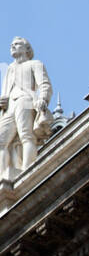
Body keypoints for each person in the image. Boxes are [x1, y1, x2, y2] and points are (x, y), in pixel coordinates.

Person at [0, 37, 53, 179]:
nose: (13, 46)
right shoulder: (10, 69)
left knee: (26, 135)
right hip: (9, 106)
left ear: (27, 49)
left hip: (25, 101)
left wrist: (43, 98)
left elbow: (45, 84)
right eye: (12, 44)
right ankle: (3, 174)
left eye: (17, 44)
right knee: (2, 140)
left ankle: (26, 170)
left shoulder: (35, 64)